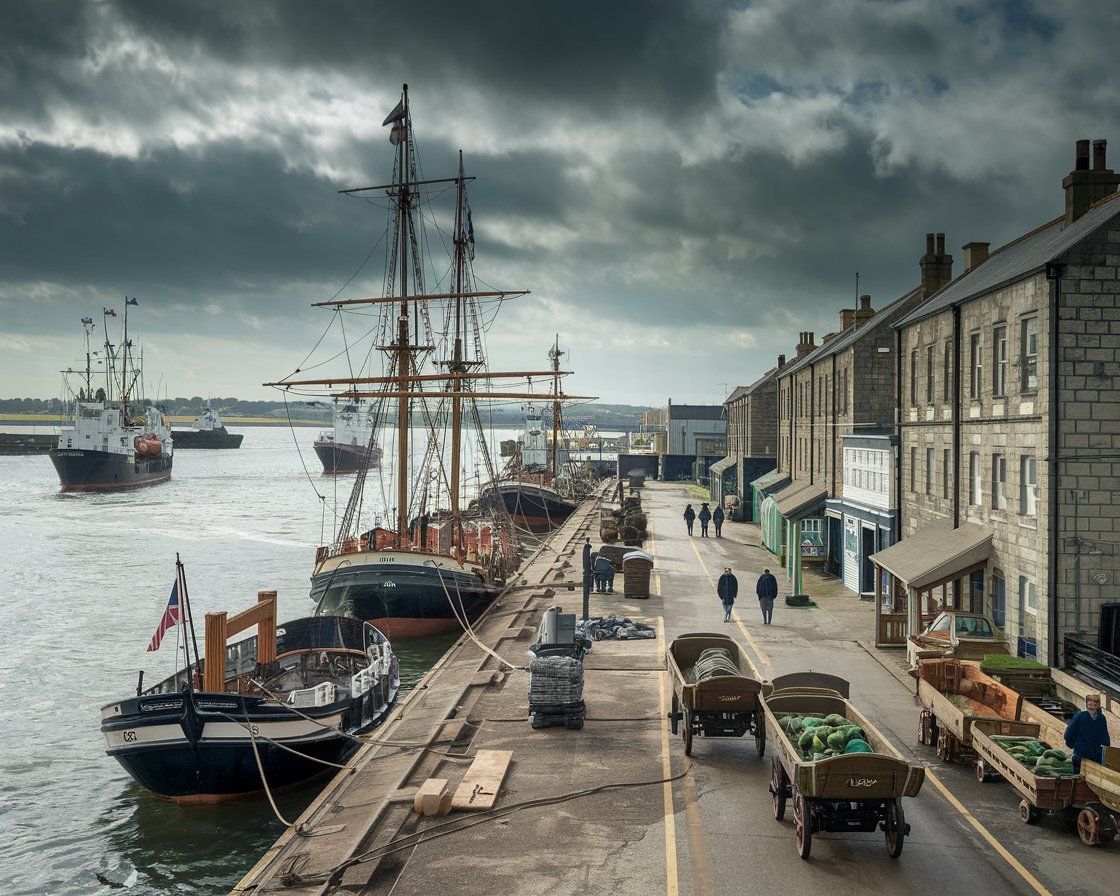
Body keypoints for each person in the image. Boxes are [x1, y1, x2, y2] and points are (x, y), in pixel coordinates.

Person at [1064, 693, 1111, 773]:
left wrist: (1104, 751)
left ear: (1099, 704)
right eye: (1090, 700)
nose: (1093, 703)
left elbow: (1105, 736)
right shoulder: (1080, 716)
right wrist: (1072, 745)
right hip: (1081, 755)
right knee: (1078, 779)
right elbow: (1069, 733)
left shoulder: (1101, 718)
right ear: (1086, 703)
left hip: (1096, 757)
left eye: (1096, 701)